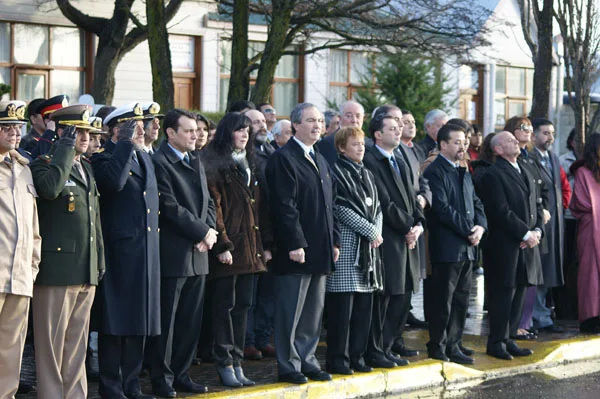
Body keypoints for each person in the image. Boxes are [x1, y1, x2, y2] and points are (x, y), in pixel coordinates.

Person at [30, 104, 105, 399]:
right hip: (57, 271)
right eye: (78, 132)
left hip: (84, 269)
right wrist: (62, 149)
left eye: (87, 131)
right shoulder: (44, 163)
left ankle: (75, 395)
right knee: (51, 346)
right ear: (62, 133)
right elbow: (49, 189)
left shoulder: (85, 167)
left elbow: (94, 221)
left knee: (77, 345)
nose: (85, 137)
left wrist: (98, 260)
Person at [266, 102, 340, 384]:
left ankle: (308, 360)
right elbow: (284, 206)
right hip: (295, 250)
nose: (317, 126)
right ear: (295, 125)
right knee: (290, 311)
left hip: (320, 247)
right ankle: (288, 364)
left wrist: (335, 241)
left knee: (312, 312)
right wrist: (295, 242)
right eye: (311, 120)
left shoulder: (319, 158)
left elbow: (329, 204)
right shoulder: (284, 158)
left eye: (320, 121)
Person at [91, 104, 160, 399]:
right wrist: (123, 145)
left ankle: (132, 385)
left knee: (139, 323)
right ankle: (111, 386)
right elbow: (114, 184)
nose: (142, 130)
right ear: (116, 129)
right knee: (115, 324)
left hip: (145, 253)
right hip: (120, 254)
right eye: (135, 126)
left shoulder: (143, 157)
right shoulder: (103, 157)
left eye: (142, 125)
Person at [149, 108, 217, 397]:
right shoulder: (159, 162)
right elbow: (169, 206)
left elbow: (208, 201)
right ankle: (161, 379)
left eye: (196, 130)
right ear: (171, 133)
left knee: (190, 321)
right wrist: (201, 232)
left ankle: (182, 373)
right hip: (174, 254)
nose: (195, 135)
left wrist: (210, 232)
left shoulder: (195, 158)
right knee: (167, 323)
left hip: (200, 253)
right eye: (189, 130)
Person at [202, 112, 272, 387]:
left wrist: (266, 245)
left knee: (243, 305)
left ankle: (237, 360)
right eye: (239, 130)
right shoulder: (213, 162)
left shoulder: (250, 163)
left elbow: (260, 208)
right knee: (225, 307)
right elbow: (214, 206)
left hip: (251, 248)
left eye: (247, 131)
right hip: (230, 248)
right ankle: (224, 362)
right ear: (227, 133)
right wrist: (222, 244)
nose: (245, 135)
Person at [362, 114, 425, 369]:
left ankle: (387, 347)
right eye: (392, 128)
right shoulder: (370, 160)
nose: (398, 131)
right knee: (385, 298)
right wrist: (409, 225)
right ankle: (375, 350)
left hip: (408, 237)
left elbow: (414, 195)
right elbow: (384, 203)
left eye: (399, 127)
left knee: (403, 295)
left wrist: (419, 224)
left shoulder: (401, 157)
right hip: (388, 238)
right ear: (377, 134)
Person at [423, 124, 487, 365]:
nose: (464, 146)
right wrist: (468, 230)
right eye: (458, 142)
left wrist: (480, 226)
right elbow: (441, 208)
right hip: (448, 246)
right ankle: (438, 345)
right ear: (443, 145)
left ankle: (454, 342)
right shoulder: (435, 171)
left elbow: (477, 202)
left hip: (469, 246)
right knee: (443, 300)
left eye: (465, 141)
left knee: (461, 299)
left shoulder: (463, 169)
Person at [478, 131, 544, 360]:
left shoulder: (525, 168)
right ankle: (496, 341)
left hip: (527, 243)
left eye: (515, 140)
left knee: (520, 293)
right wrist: (525, 233)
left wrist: (537, 231)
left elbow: (537, 203)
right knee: (503, 294)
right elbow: (499, 210)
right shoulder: (493, 174)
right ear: (497, 149)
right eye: (508, 140)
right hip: (505, 245)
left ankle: (509, 338)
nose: (516, 142)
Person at [325, 126, 384, 375]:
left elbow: (378, 207)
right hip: (349, 248)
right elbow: (340, 208)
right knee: (342, 312)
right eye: (355, 144)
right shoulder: (336, 172)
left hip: (368, 253)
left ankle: (357, 357)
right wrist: (371, 232)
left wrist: (376, 230)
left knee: (362, 311)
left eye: (362, 144)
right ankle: (339, 359)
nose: (361, 148)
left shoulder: (367, 173)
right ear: (341, 148)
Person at [0, 100, 41, 399]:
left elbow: (33, 226)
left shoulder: (23, 168)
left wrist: (32, 265)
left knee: (11, 351)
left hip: (20, 276)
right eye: (7, 127)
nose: (15, 132)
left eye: (17, 127)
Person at [529, 118, 571, 333]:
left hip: (556, 223)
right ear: (534, 135)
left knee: (550, 270)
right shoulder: (529, 157)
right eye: (545, 133)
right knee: (539, 269)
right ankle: (535, 317)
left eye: (552, 133)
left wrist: (561, 207)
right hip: (540, 223)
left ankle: (543, 314)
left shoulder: (553, 158)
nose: (550, 137)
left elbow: (563, 188)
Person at [243, 108, 277, 360]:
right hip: (249, 235)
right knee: (249, 295)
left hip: (269, 232)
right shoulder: (244, 158)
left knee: (267, 293)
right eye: (255, 122)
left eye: (263, 121)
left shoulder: (271, 153)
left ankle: (263, 337)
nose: (262, 126)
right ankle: (248, 341)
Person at [570, 133, 600, 333]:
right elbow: (581, 201)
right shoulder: (582, 171)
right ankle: (590, 317)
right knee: (590, 274)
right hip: (591, 228)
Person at [318, 100, 365, 166]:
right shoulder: (329, 142)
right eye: (349, 116)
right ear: (340, 118)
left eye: (358, 116)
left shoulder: (368, 143)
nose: (354, 120)